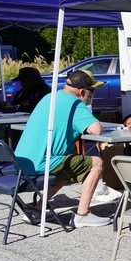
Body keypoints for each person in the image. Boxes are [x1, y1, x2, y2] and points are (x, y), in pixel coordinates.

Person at [14, 70, 111, 227]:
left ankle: (37, 210)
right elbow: (96, 129)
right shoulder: (75, 104)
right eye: (92, 91)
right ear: (82, 92)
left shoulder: (49, 97)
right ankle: (82, 215)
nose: (93, 95)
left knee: (67, 167)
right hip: (42, 163)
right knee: (96, 163)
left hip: (22, 161)